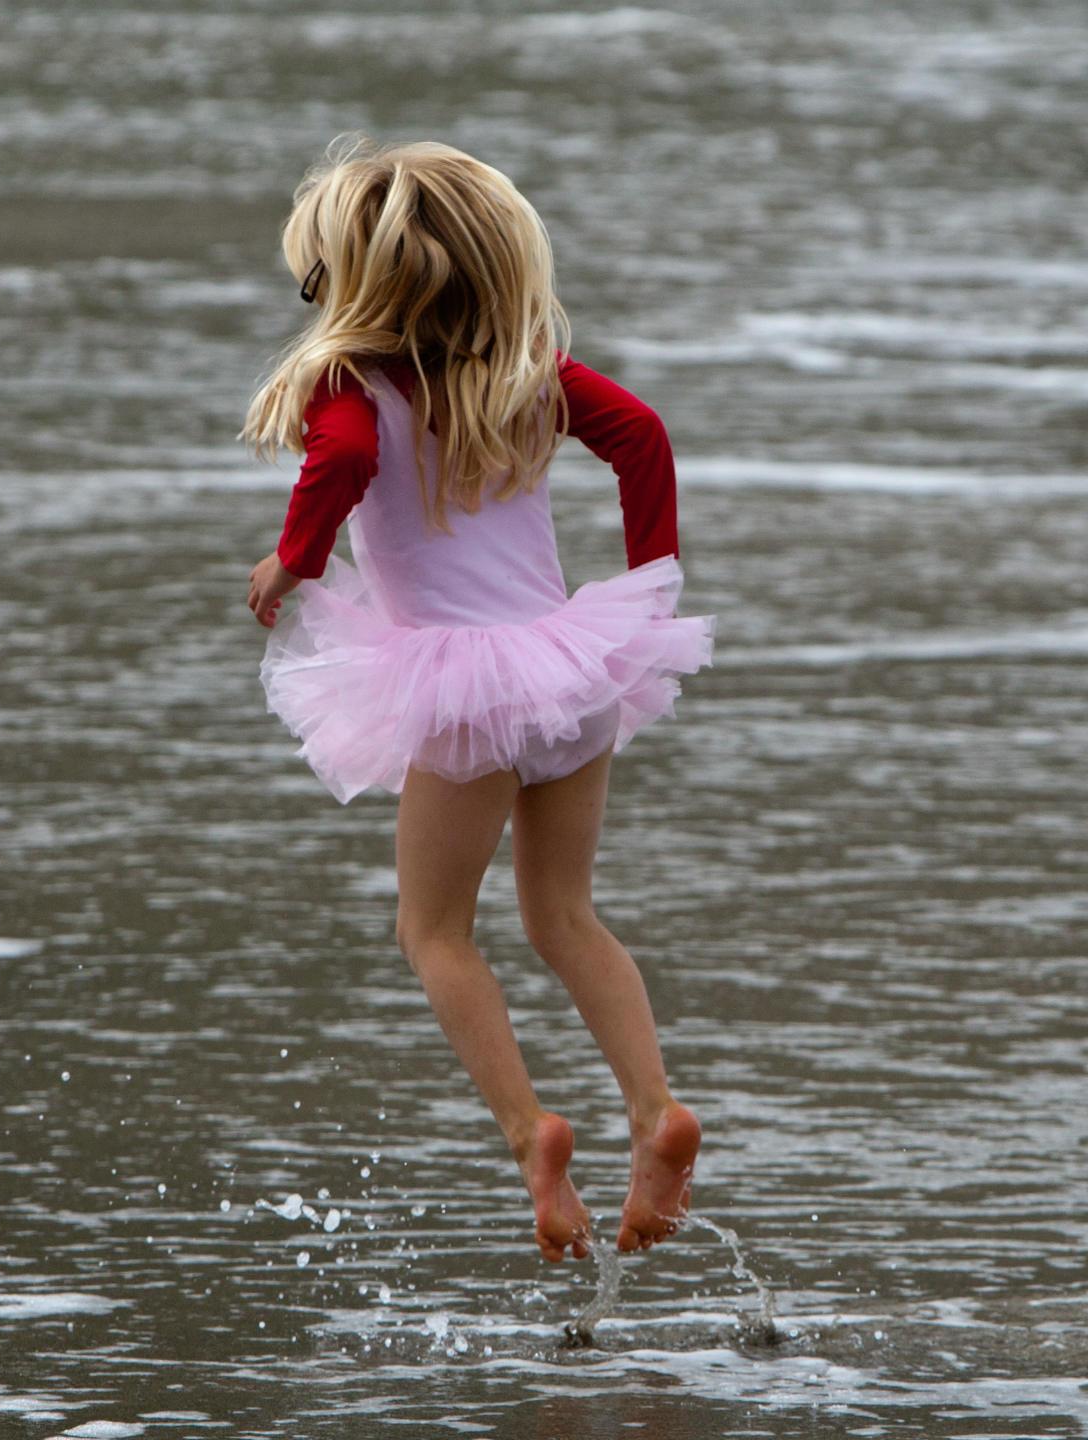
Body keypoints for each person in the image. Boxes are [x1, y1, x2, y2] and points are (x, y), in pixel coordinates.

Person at [239, 135, 712, 1262]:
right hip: (571, 669)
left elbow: (342, 459)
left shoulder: (352, 387)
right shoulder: (524, 372)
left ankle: (531, 1134)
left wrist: (295, 561)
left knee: (433, 930)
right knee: (563, 915)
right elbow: (642, 435)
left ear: (354, 281)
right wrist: (650, 581)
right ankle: (654, 1109)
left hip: (463, 693)